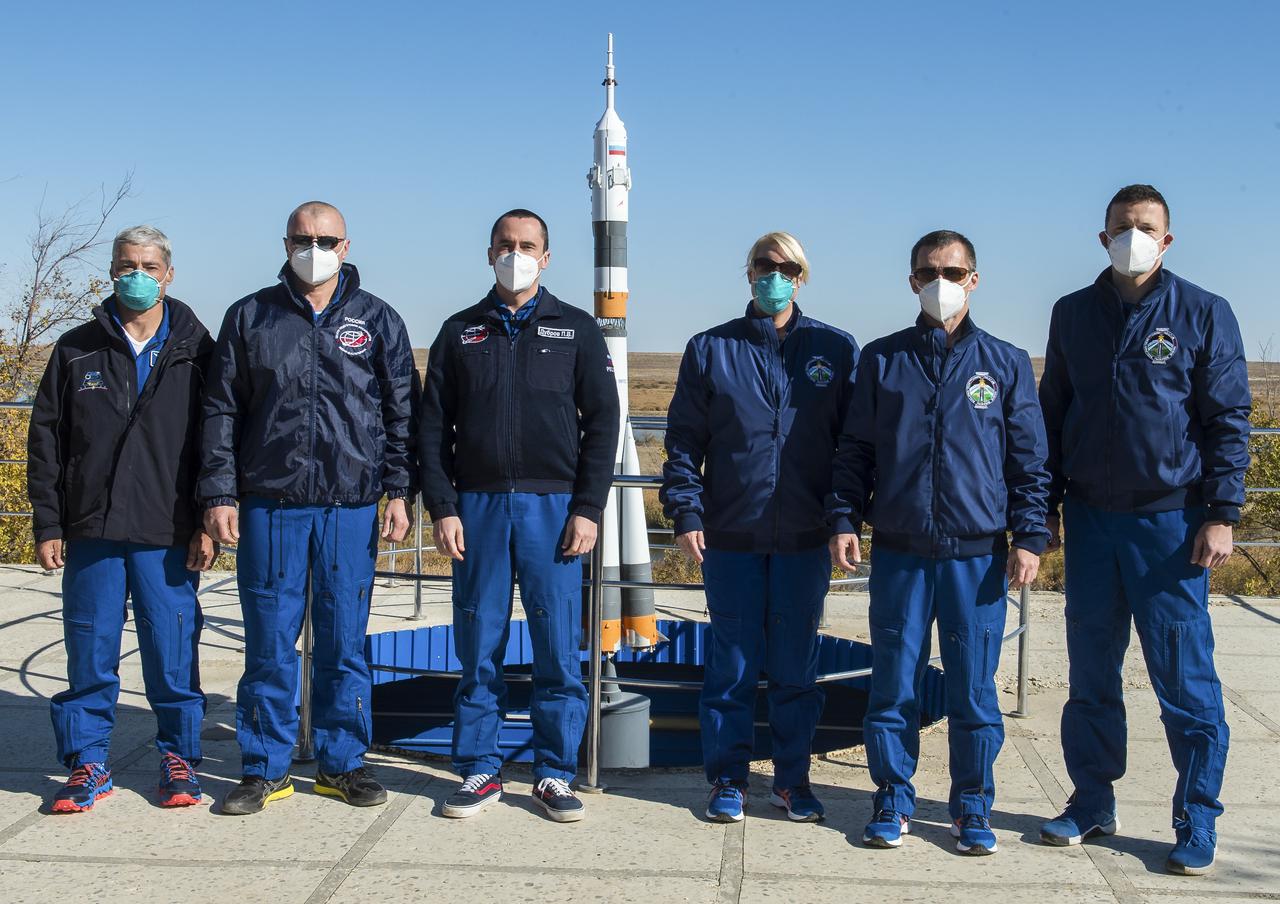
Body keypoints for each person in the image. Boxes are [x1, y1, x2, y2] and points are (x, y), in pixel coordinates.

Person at [1037, 185, 1249, 875]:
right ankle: (1092, 800)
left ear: (1167, 238)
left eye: (1146, 227)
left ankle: (1197, 816)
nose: (1134, 236)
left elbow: (1228, 419)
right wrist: (1043, 509)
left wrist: (1221, 513)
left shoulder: (1203, 312)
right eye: (1122, 226)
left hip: (1171, 524)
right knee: (1091, 673)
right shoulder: (1072, 313)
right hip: (1091, 518)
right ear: (1103, 238)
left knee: (1184, 679)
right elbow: (1052, 414)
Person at [828, 230, 1050, 855]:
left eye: (952, 272)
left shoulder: (1005, 362)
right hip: (900, 551)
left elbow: (1029, 461)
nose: (940, 283)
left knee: (974, 690)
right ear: (912, 282)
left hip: (977, 555)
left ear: (974, 279)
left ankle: (972, 805)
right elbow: (855, 451)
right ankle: (892, 798)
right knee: (893, 684)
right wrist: (844, 518)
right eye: (928, 272)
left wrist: (1031, 535)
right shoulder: (882, 359)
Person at [200, 201, 418, 815]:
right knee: (269, 643)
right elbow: (220, 411)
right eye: (302, 238)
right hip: (271, 504)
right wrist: (219, 492)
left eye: (325, 239)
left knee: (343, 644)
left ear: (345, 247)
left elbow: (402, 412)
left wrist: (399, 490)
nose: (313, 249)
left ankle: (342, 763)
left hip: (351, 506)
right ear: (285, 243)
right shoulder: (251, 316)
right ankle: (264, 767)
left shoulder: (378, 319)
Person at [419, 209, 619, 823]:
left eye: (527, 246)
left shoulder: (576, 329)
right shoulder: (460, 331)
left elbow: (603, 423)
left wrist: (587, 507)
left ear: (546, 257)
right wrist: (443, 506)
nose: (516, 254)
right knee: (479, 643)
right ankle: (479, 768)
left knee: (558, 647)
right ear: (489, 253)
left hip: (553, 509)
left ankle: (554, 772)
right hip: (476, 507)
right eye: (505, 245)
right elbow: (431, 429)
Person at [662, 232, 859, 824]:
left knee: (797, 670)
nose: (775, 275)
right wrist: (687, 511)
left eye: (787, 267)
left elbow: (851, 446)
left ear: (802, 276)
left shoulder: (835, 348)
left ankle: (792, 781)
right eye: (764, 265)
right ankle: (728, 779)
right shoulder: (711, 348)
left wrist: (843, 516)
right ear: (748, 272)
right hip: (731, 536)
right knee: (732, 667)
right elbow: (684, 441)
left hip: (804, 537)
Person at [27, 225, 217, 811]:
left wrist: (206, 521)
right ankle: (88, 763)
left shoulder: (197, 350)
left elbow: (216, 443)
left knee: (172, 652)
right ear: (111, 271)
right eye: (126, 265)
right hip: (92, 530)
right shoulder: (76, 348)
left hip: (168, 531)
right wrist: (49, 522)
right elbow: (46, 441)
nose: (136, 275)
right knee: (89, 650)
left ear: (169, 274)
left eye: (148, 266)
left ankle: (179, 758)